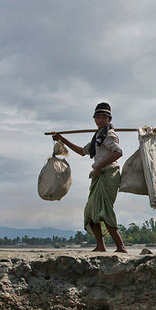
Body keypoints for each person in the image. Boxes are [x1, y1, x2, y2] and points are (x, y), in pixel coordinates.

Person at [53, 102, 128, 253]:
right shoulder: (98, 137)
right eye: (98, 117)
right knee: (91, 212)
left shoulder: (109, 134)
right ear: (94, 119)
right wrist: (62, 140)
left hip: (108, 175)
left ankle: (121, 247)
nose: (100, 120)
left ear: (109, 119)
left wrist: (99, 167)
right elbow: (82, 151)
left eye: (103, 117)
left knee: (105, 211)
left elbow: (118, 152)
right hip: (99, 176)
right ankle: (100, 246)